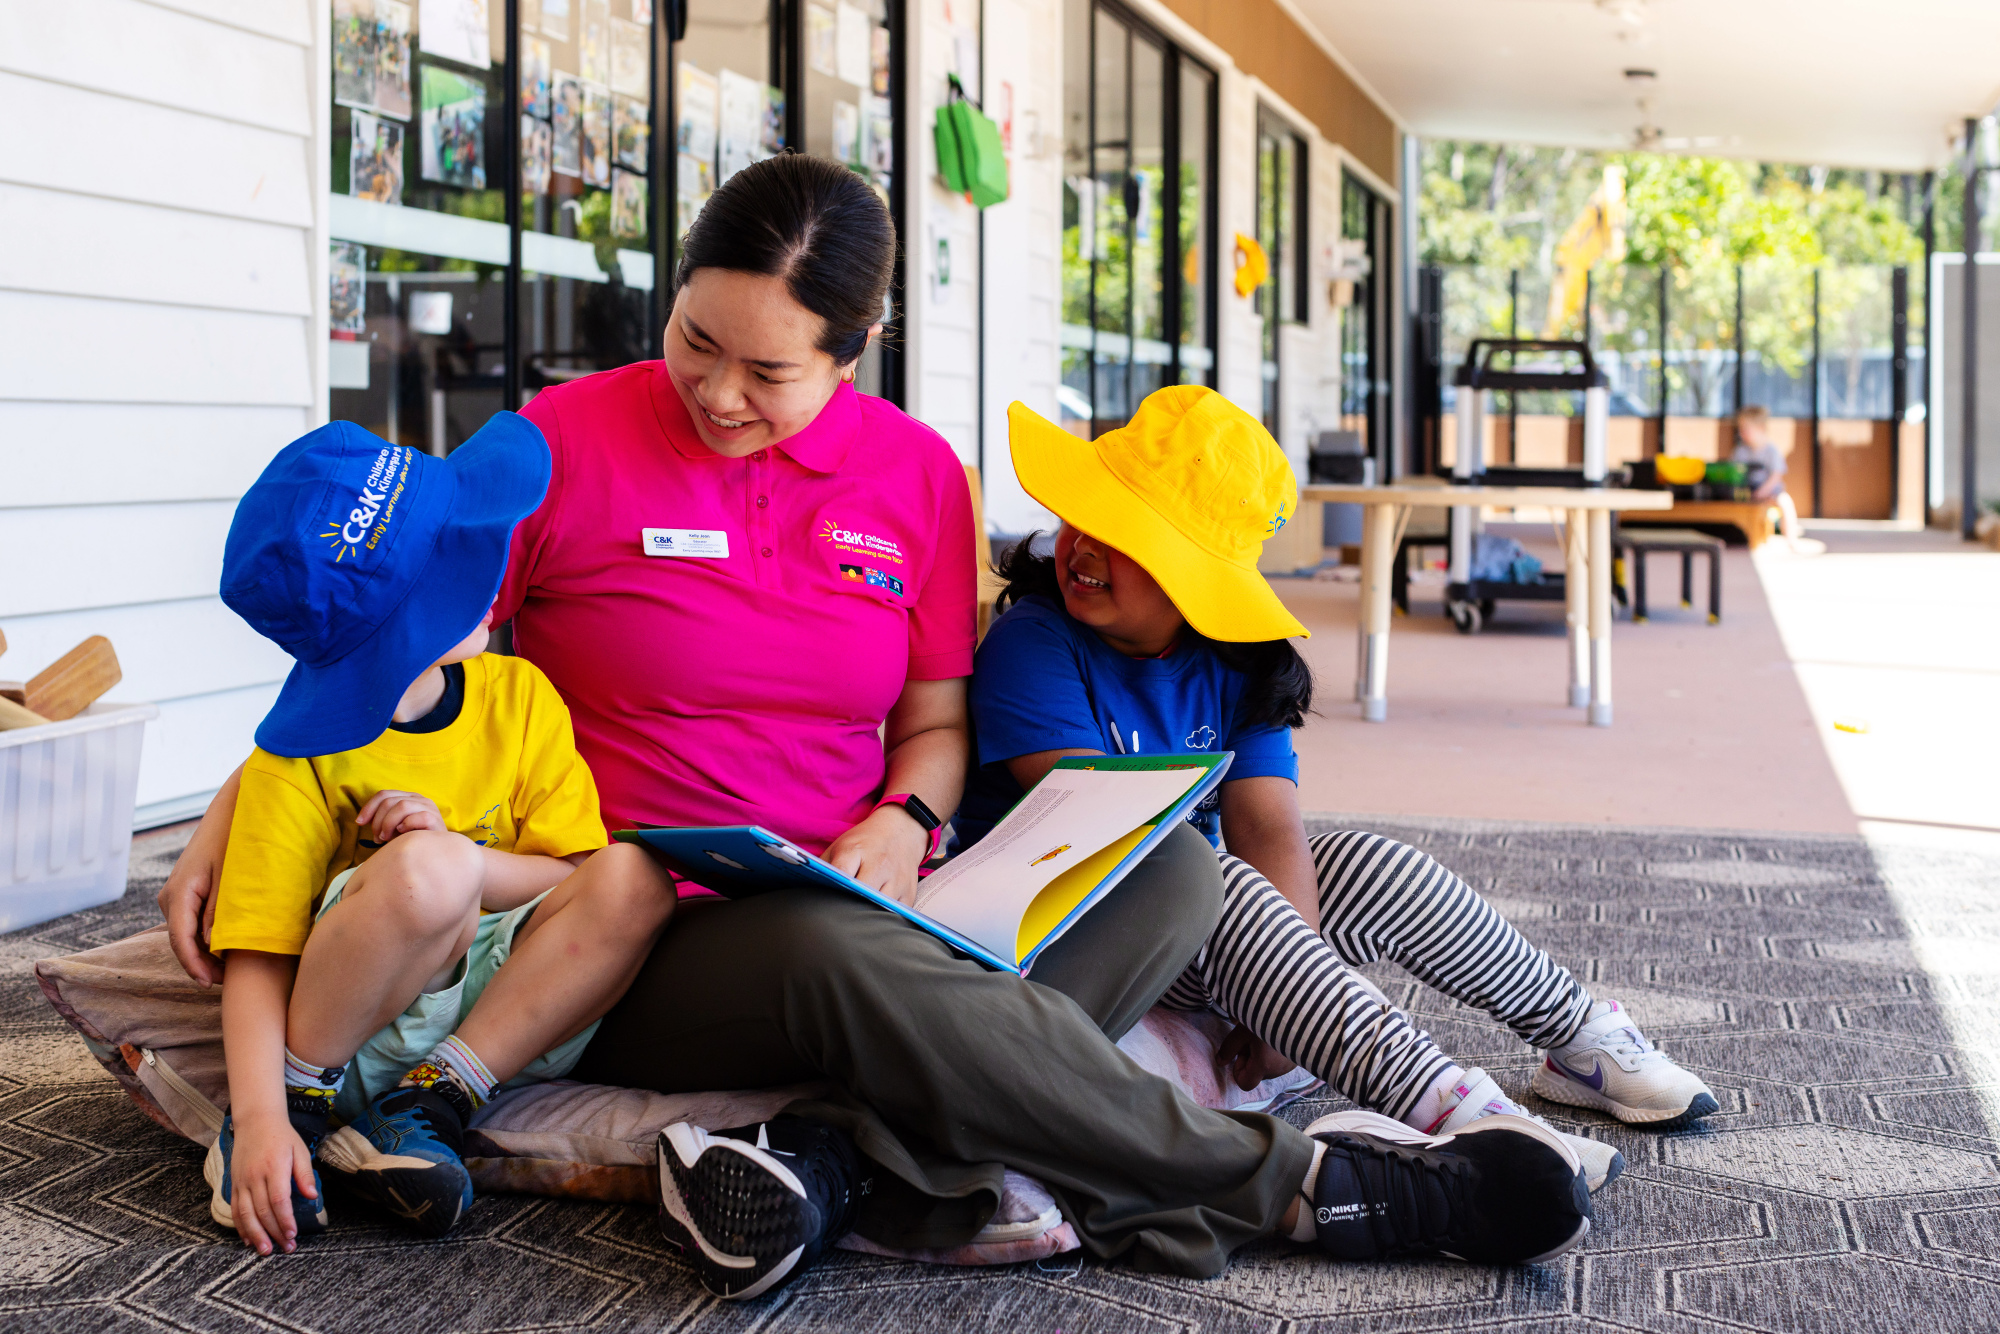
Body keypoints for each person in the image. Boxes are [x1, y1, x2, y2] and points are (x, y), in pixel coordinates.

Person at [159, 152, 1590, 1295]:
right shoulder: (561, 439)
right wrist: (233, 820)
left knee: (1174, 869)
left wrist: (906, 822)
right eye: (695, 341)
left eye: (769, 371)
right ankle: (1290, 1180)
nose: (719, 391)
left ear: (860, 346)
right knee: (840, 954)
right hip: (628, 918)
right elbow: (378, 637)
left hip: (864, 873)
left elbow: (934, 724)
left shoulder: (917, 478)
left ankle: (847, 1159)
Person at [958, 386, 1719, 1190]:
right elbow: (1114, 845)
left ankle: (1578, 1036)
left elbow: (1271, 831)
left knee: (1369, 864)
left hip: (1203, 931)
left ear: (1199, 578)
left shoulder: (1235, 660)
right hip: (1070, 935)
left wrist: (1280, 1011)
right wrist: (1271, 978)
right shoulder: (1033, 642)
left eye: (1131, 538)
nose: (1087, 546)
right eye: (1088, 516)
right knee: (1202, 876)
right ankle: (1472, 1120)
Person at [202, 414, 678, 1257]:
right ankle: (309, 1114)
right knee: (428, 873)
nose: (493, 563)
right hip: (339, 1029)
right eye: (459, 558)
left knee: (636, 877)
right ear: (401, 630)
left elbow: (569, 876)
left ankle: (429, 1106)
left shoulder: (521, 695)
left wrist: (466, 860)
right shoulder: (296, 757)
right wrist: (263, 1117)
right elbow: (258, 952)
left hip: (485, 1018)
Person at [1733, 404, 1818, 554]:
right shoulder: (1740, 451)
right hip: (1747, 491)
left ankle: (1791, 540)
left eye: (1746, 429)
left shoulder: (1771, 450)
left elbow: (1776, 475)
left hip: (1770, 491)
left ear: (1760, 428)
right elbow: (1733, 472)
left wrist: (1763, 491)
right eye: (1740, 429)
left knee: (1785, 503)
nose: (1742, 433)